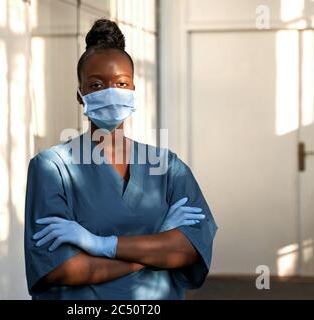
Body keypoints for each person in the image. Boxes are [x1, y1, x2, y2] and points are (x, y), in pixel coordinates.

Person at [24, 19, 218, 300]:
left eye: (121, 83)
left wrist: (100, 245)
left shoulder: (168, 167)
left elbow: (189, 249)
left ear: (133, 91)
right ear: (80, 95)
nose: (110, 92)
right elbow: (60, 268)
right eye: (96, 84)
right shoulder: (52, 167)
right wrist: (156, 246)